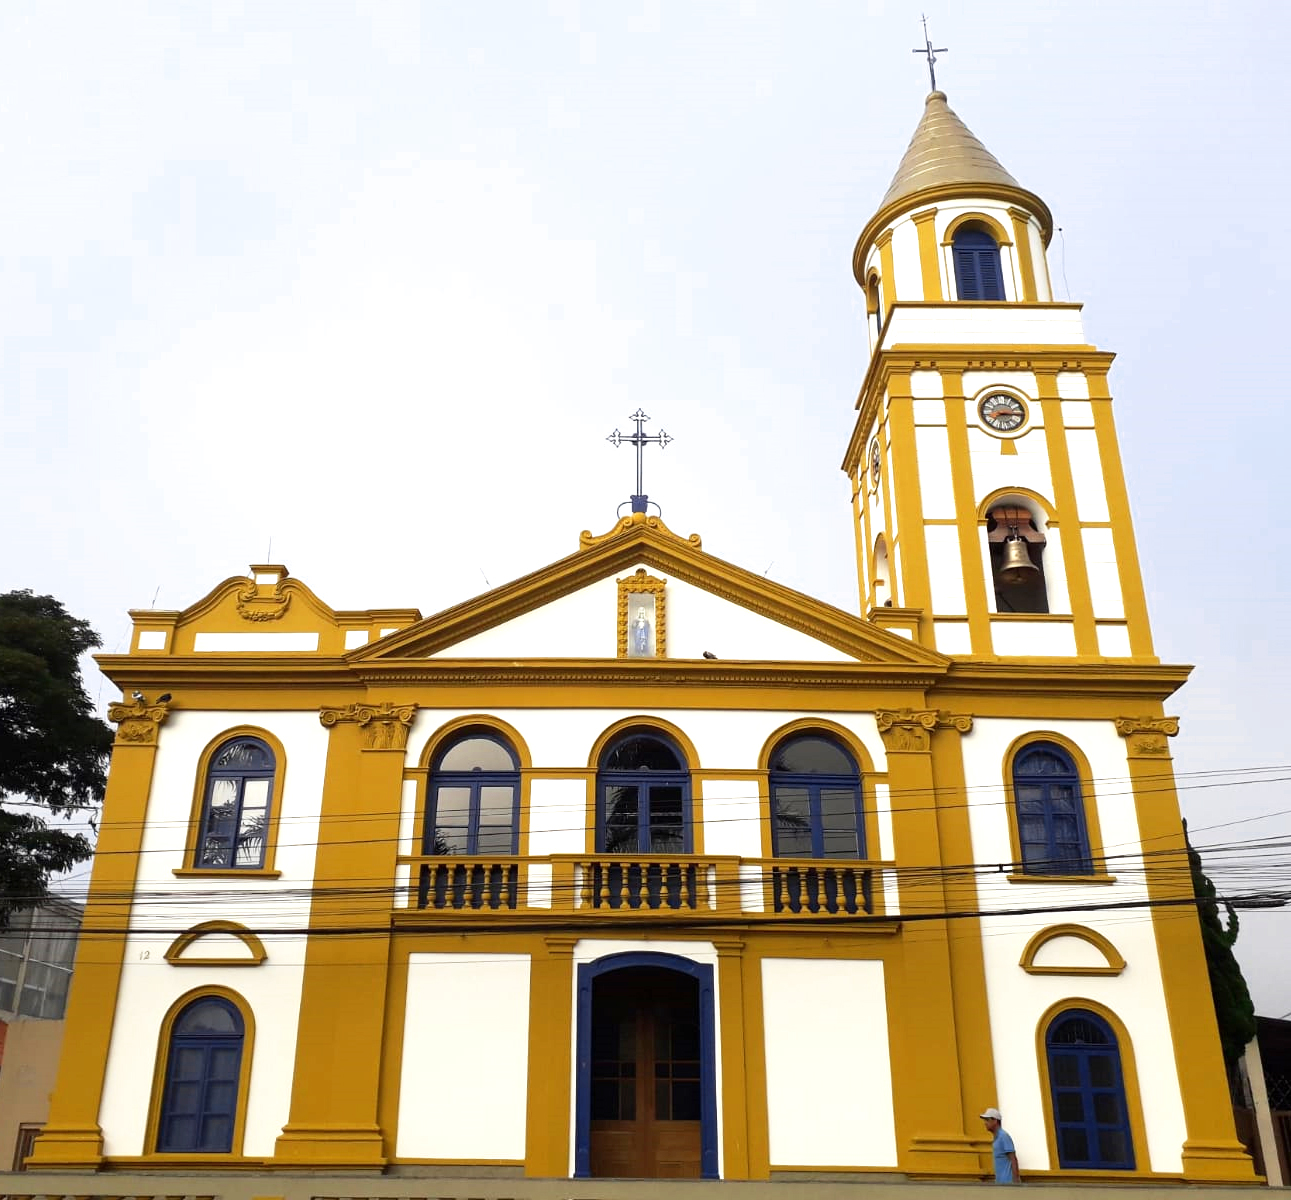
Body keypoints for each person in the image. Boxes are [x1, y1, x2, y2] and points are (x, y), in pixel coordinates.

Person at [980, 1107, 1019, 1184]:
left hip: (1008, 1183)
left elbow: (1013, 1159)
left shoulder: (1003, 1136)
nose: (985, 1123)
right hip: (1001, 1183)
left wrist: (1016, 1182)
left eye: (987, 1120)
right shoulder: (997, 1137)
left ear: (995, 1121)